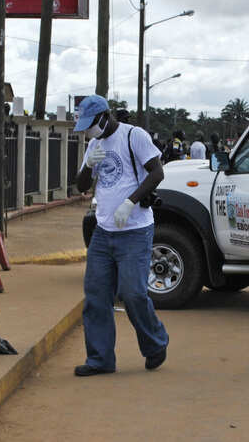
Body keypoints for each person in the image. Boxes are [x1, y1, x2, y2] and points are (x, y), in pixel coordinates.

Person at [73, 95, 169, 376]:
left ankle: (155, 344)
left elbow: (157, 172)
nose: (89, 131)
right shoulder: (94, 144)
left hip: (135, 230)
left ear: (104, 117)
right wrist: (88, 165)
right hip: (104, 232)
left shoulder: (133, 136)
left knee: (133, 293)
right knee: (96, 295)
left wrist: (130, 201)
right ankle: (100, 359)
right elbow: (80, 185)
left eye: (91, 125)